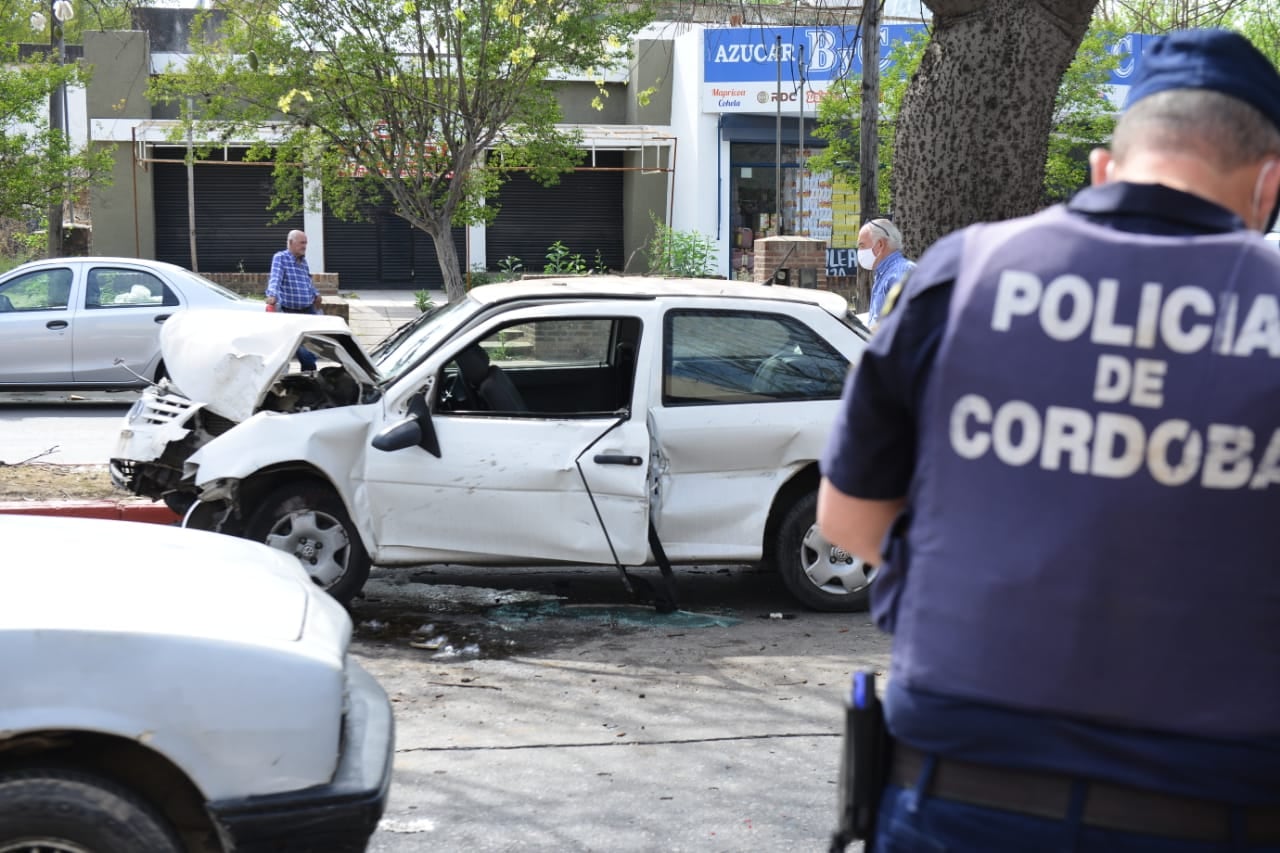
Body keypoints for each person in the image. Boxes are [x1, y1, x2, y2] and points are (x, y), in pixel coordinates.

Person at [818, 28, 1280, 853]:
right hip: (1216, 810)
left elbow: (848, 521)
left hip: (957, 800)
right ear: (1268, 183)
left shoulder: (965, 278)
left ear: (1108, 165)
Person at [266, 229, 322, 373]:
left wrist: (316, 294)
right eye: (301, 243)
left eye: (306, 243)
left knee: (315, 344)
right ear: (291, 243)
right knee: (302, 350)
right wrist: (272, 295)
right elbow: (275, 279)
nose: (304, 246)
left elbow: (307, 282)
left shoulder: (303, 262)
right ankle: (308, 375)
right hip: (291, 311)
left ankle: (308, 375)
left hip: (309, 309)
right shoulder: (281, 258)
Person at [856, 218, 915, 328]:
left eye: (862, 245)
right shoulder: (885, 274)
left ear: (880, 245)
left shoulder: (898, 274)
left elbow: (908, 325)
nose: (859, 251)